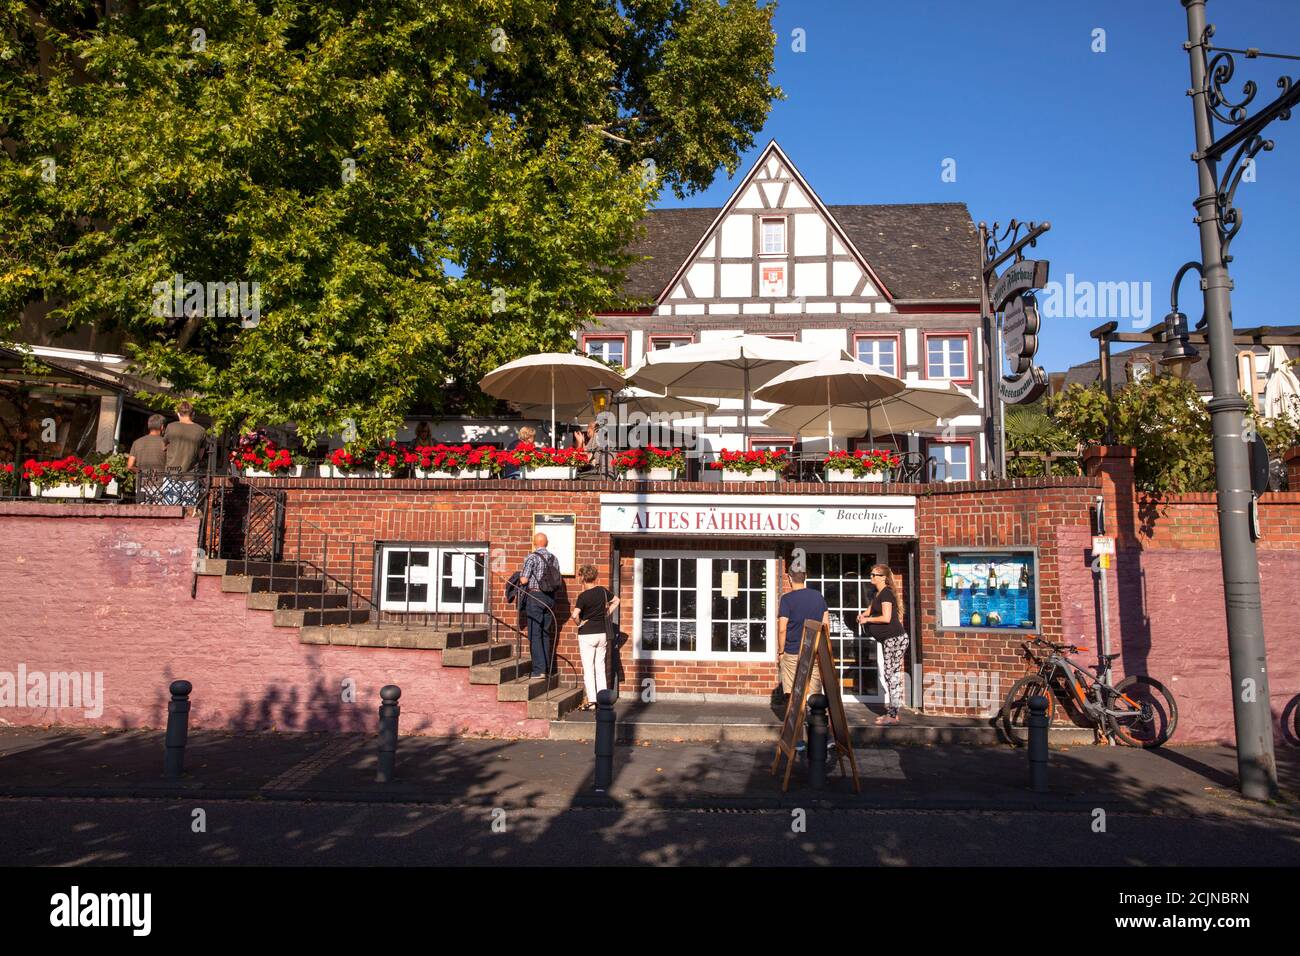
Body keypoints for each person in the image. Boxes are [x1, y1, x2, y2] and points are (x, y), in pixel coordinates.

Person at [777, 567, 831, 754]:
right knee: (814, 697)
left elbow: (782, 628)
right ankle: (824, 736)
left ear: (790, 579)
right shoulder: (818, 597)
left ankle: (798, 740)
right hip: (814, 652)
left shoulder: (787, 599)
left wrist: (781, 651)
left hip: (792, 652)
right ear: (806, 577)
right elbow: (826, 626)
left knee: (793, 696)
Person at [858, 564, 908, 725]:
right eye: (871, 574)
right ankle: (893, 713)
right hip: (889, 640)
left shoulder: (886, 594)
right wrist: (862, 615)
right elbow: (871, 609)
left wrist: (868, 620)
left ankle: (893, 715)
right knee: (890, 674)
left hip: (895, 639)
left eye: (874, 575)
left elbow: (886, 618)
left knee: (891, 675)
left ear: (883, 578)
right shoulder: (877, 593)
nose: (871, 577)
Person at [570, 564, 619, 711]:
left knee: (589, 668)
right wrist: (607, 613)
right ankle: (604, 699)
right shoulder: (602, 591)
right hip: (602, 633)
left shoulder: (583, 596)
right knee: (600, 667)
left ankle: (592, 701)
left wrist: (579, 623)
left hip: (587, 634)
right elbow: (617, 600)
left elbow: (574, 615)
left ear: (583, 578)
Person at [519, 531, 561, 679]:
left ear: (534, 542)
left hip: (535, 597)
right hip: (549, 599)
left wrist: (520, 576)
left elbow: (524, 580)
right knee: (545, 634)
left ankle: (539, 670)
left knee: (534, 634)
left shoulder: (532, 557)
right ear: (547, 543)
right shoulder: (554, 559)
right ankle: (546, 668)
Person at [163, 401, 206, 472]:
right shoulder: (201, 430)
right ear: (193, 413)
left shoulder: (171, 427)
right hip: (191, 475)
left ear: (178, 414)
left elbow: (164, 447)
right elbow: (201, 454)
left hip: (171, 473)